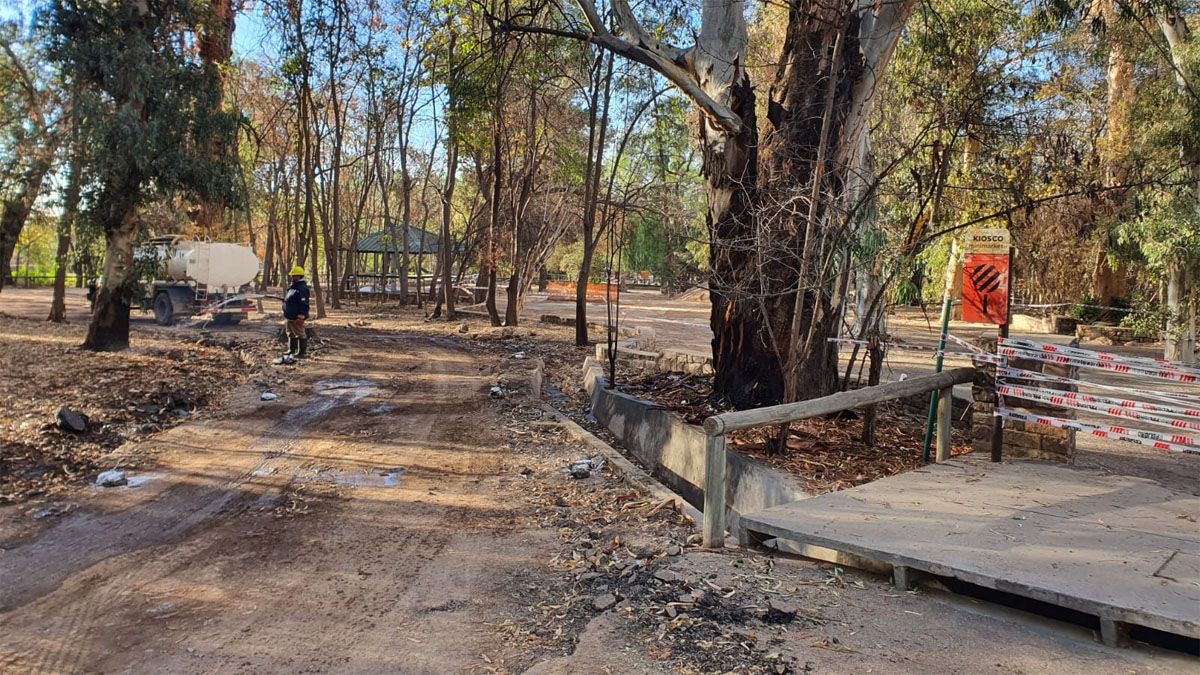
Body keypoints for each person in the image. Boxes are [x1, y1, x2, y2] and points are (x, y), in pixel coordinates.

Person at [275, 265, 310, 365]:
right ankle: (291, 350)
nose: (292, 277)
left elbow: (304, 303)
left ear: (300, 276)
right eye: (292, 276)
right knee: (290, 333)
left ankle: (301, 352)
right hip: (289, 316)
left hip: (296, 316)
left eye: (294, 276)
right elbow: (292, 298)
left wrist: (301, 315)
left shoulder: (302, 288)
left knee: (300, 333)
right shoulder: (293, 286)